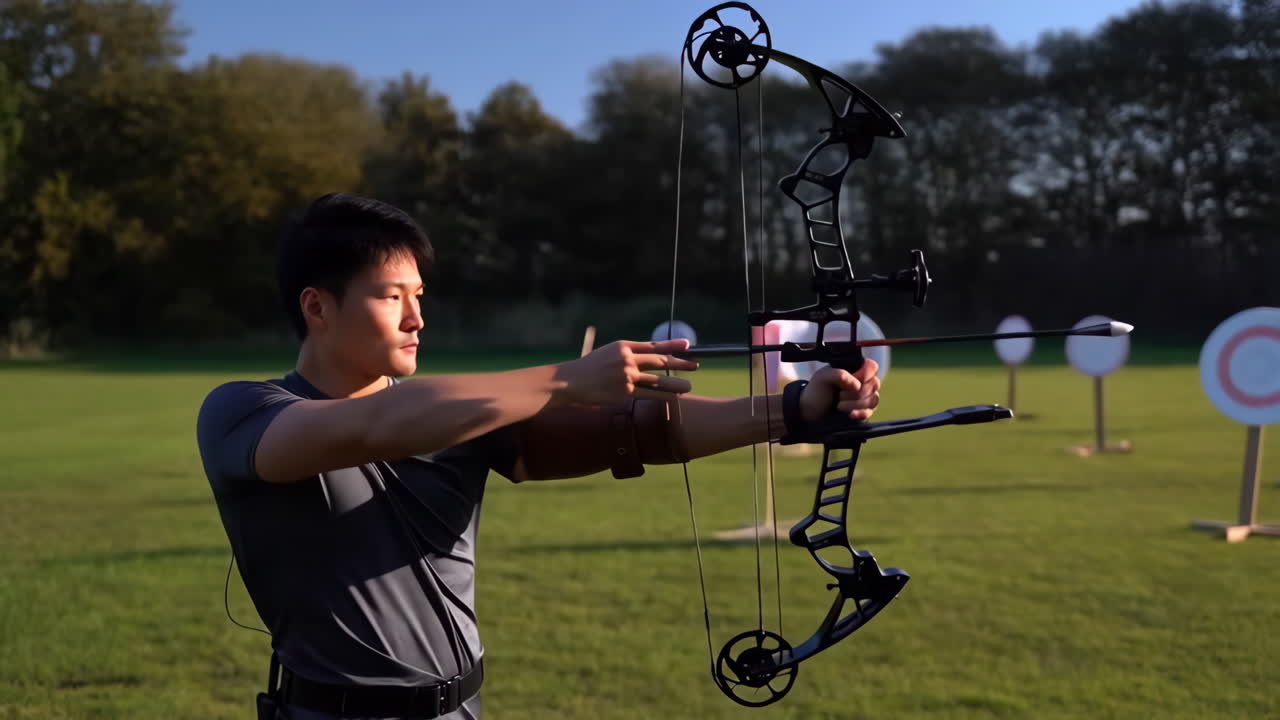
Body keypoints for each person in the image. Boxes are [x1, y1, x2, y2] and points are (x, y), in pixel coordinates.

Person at [196, 193, 882, 720]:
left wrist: (791, 411)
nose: (417, 318)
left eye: (419, 297)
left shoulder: (461, 413)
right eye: (390, 296)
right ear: (316, 307)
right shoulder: (243, 413)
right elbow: (375, 425)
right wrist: (564, 381)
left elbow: (642, 433)